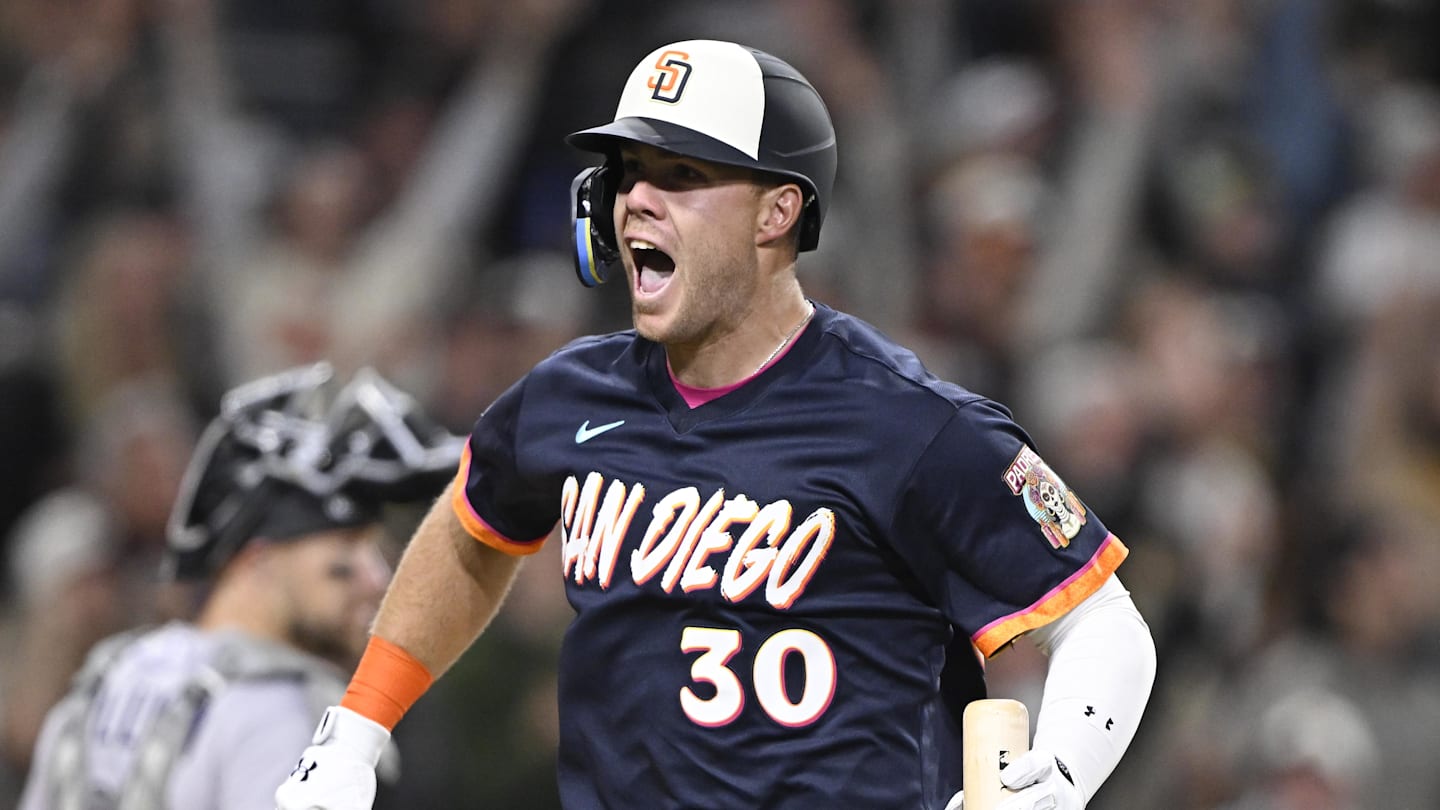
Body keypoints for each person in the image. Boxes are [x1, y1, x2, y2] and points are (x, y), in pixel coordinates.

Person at [275, 40, 1157, 810]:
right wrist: (358, 725)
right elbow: (472, 532)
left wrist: (1064, 773)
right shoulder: (569, 397)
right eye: (629, 173)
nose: (637, 201)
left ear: (778, 211)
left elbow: (1104, 619)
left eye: (684, 176)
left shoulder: (906, 423)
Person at [17, 362, 462, 809]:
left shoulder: (114, 673)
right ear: (259, 560)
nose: (375, 578)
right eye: (345, 550)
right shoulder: (277, 711)